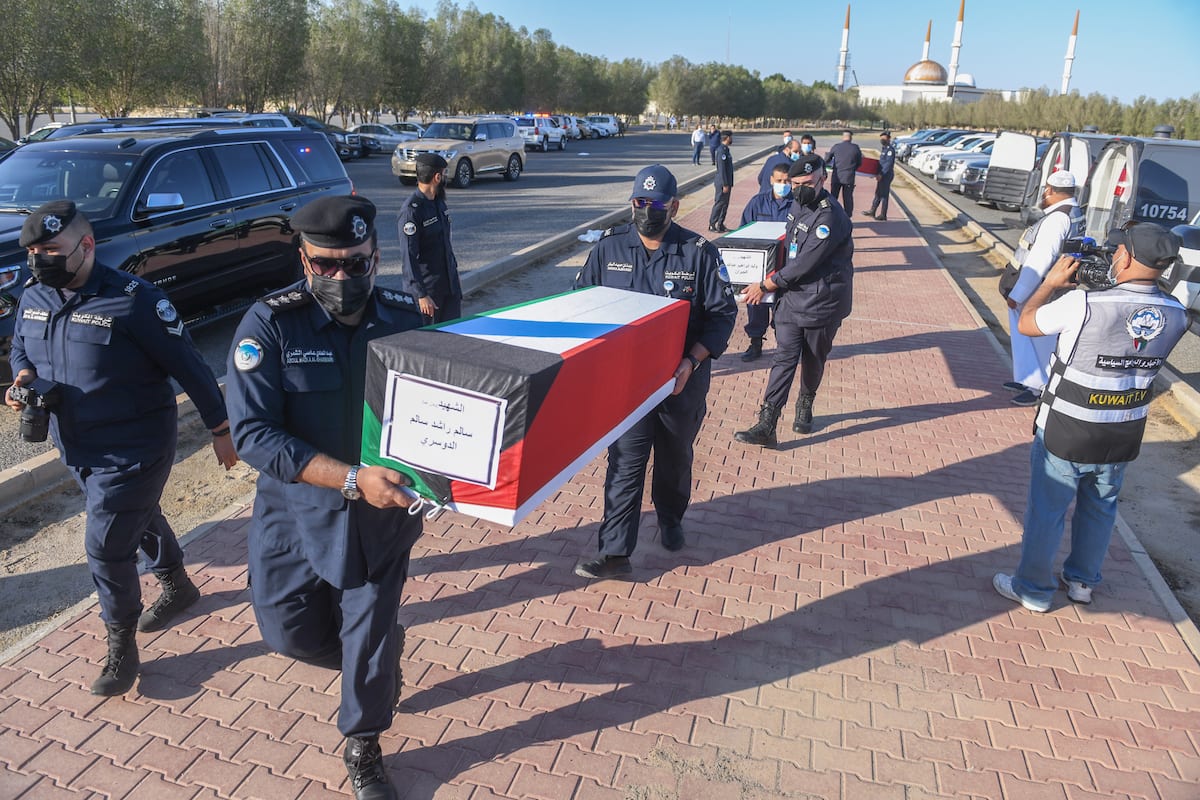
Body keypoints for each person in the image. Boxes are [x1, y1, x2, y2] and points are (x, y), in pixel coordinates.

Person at [225, 195, 425, 800]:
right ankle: (379, 659)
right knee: (286, 631)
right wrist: (345, 477)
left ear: (376, 256)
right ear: (304, 259)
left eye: (356, 265)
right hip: (294, 510)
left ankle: (363, 740)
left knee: (366, 631)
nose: (342, 278)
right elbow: (252, 434)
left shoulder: (402, 318)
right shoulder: (269, 325)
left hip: (381, 513)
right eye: (326, 265)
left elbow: (441, 405)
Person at [6, 200, 237, 697]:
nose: (40, 260)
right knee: (134, 513)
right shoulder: (34, 295)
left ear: (86, 246)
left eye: (51, 250)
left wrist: (221, 428)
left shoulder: (136, 300)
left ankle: (121, 644)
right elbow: (20, 346)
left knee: (105, 547)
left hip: (135, 445)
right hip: (74, 441)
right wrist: (22, 376)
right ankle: (177, 584)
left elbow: (191, 365)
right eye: (32, 252)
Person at [993, 223, 1188, 613]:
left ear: (1128, 257)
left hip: (1068, 427)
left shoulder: (1083, 304)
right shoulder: (1177, 314)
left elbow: (1028, 322)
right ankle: (1082, 581)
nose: (1113, 256)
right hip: (1123, 430)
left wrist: (1049, 283)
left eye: (1118, 251)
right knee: (1101, 507)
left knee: (1048, 511)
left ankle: (1032, 590)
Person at [571, 165, 736, 578]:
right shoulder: (608, 249)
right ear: (631, 204)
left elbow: (722, 315)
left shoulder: (700, 252)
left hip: (681, 380)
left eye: (656, 204)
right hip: (626, 384)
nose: (647, 210)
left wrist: (691, 361)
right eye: (640, 203)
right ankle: (614, 553)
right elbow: (580, 306)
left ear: (674, 206)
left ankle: (671, 517)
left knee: (674, 457)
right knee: (625, 462)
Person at [734, 154, 854, 447]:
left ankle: (805, 402)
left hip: (822, 302)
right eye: (794, 183)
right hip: (791, 299)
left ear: (823, 180)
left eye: (807, 184)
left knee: (813, 360)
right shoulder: (799, 204)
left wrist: (765, 284)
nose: (800, 189)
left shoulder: (830, 217)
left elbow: (806, 262)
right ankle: (767, 422)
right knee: (783, 358)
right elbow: (789, 246)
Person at [1001, 171, 1084, 406]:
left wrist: (1018, 294)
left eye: (1045, 190)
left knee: (1040, 338)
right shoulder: (1072, 211)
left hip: (1041, 289)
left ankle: (1041, 386)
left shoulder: (1058, 218)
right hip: (1049, 287)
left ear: (1049, 190)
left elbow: (1040, 260)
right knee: (1026, 337)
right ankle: (1028, 379)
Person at [737, 162, 794, 362]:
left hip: (785, 266)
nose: (783, 185)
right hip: (759, 267)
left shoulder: (798, 204)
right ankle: (755, 343)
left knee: (784, 307)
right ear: (771, 180)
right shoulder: (757, 203)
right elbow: (742, 233)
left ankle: (783, 347)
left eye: (787, 181)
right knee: (756, 305)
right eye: (779, 181)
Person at [397, 152, 462, 323]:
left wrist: (454, 280)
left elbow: (446, 245)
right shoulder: (412, 211)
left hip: (448, 286)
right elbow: (409, 256)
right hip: (429, 293)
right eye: (444, 174)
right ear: (437, 177)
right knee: (429, 343)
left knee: (454, 336)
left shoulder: (439, 202)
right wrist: (421, 294)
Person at [824, 130, 863, 216]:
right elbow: (859, 162)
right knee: (848, 198)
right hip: (849, 177)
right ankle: (848, 216)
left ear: (843, 137)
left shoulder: (836, 147)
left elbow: (827, 160)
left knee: (833, 197)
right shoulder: (855, 148)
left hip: (836, 176)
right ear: (851, 137)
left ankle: (832, 215)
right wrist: (852, 169)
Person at [863, 131, 897, 221]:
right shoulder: (884, 148)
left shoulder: (890, 150)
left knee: (884, 195)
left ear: (889, 138)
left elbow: (888, 164)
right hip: (881, 174)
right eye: (881, 138)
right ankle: (873, 210)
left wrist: (881, 174)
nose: (882, 139)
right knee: (878, 193)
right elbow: (881, 163)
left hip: (886, 175)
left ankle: (883, 214)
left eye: (884, 138)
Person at [708, 130, 734, 233]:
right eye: (731, 137)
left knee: (725, 204)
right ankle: (712, 224)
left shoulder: (726, 150)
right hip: (722, 183)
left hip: (727, 182)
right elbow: (722, 169)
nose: (732, 139)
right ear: (727, 138)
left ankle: (720, 224)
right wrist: (725, 184)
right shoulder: (721, 151)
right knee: (719, 203)